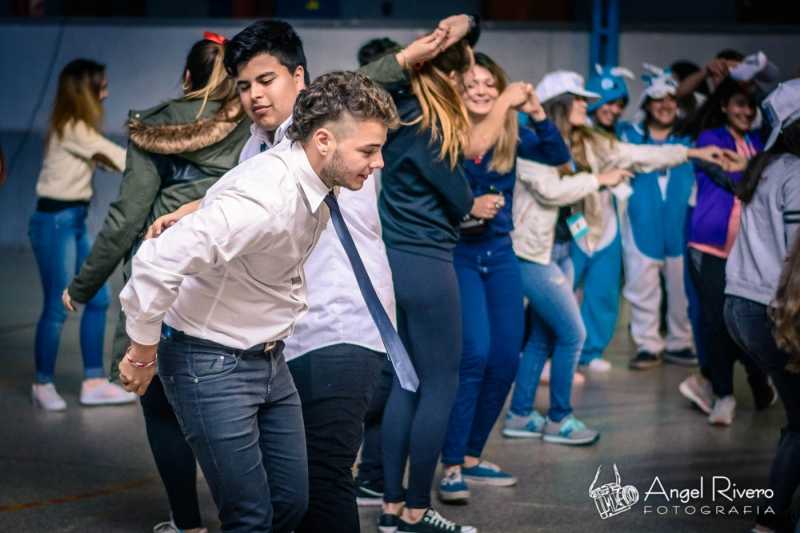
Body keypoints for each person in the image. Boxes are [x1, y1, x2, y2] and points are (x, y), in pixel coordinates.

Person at [118, 70, 399, 533]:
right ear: (323, 141)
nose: (379, 163)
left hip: (268, 358)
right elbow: (156, 262)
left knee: (290, 503)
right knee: (250, 518)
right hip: (210, 362)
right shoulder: (268, 199)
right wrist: (142, 353)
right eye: (369, 150)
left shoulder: (310, 170)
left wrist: (199, 206)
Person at [63, 33, 249, 533]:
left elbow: (126, 219)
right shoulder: (254, 125)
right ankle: (247, 519)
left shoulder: (156, 127)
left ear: (186, 78)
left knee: (163, 409)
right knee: (232, 407)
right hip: (233, 285)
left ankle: (187, 524)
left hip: (165, 284)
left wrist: (82, 285)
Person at [375, 14, 539, 533]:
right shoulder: (432, 130)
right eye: (464, 77)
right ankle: (416, 510)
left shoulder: (401, 112)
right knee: (440, 386)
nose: (469, 86)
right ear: (447, 77)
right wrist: (469, 201)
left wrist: (455, 31)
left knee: (406, 386)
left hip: (394, 262)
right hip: (429, 264)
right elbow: (463, 195)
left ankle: (391, 509)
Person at [503, 70, 726, 445]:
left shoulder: (588, 140)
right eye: (578, 99)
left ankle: (520, 415)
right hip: (532, 254)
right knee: (572, 333)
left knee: (543, 337)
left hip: (561, 248)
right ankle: (559, 419)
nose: (586, 105)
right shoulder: (530, 141)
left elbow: (635, 154)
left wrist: (691, 153)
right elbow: (550, 190)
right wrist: (599, 180)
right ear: (558, 104)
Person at [437, 51, 570, 504]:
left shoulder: (510, 134)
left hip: (500, 255)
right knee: (474, 355)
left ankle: (472, 455)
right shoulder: (448, 132)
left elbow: (558, 155)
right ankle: (451, 463)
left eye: (489, 84)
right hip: (459, 254)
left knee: (505, 359)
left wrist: (536, 113)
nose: (481, 90)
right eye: (471, 83)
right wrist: (468, 207)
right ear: (457, 90)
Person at [29, 58, 132, 411]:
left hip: (73, 221)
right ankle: (42, 383)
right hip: (53, 222)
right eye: (102, 86)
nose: (106, 93)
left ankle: (93, 382)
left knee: (99, 298)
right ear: (84, 91)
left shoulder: (77, 130)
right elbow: (122, 159)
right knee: (57, 305)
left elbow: (106, 158)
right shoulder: (73, 128)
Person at [723, 79, 800, 532]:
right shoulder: (796, 173)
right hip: (773, 311)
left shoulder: (765, 166)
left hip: (740, 303)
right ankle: (772, 518)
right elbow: (797, 256)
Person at [681, 77, 775, 426]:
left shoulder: (759, 142)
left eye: (751, 106)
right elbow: (732, 180)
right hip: (710, 247)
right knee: (716, 322)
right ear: (723, 106)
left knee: (750, 321)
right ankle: (724, 395)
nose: (746, 111)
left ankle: (757, 378)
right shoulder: (711, 139)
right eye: (738, 104)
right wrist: (754, 171)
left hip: (750, 249)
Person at [619, 65, 697, 369]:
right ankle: (647, 345)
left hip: (680, 226)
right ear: (647, 104)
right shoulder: (630, 136)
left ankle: (680, 342)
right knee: (641, 287)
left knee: (682, 289)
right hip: (641, 223)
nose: (665, 105)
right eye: (658, 100)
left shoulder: (690, 138)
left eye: (671, 99)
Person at [571, 63, 634, 372]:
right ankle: (545, 350)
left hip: (609, 221)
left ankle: (590, 350)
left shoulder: (622, 136)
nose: (614, 109)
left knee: (604, 290)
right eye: (608, 102)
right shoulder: (574, 134)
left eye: (619, 104)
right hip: (575, 221)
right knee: (562, 288)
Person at [585, 64, 634, 136]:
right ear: (594, 102)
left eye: (621, 105)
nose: (615, 110)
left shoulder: (622, 134)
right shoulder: (579, 134)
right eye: (610, 103)